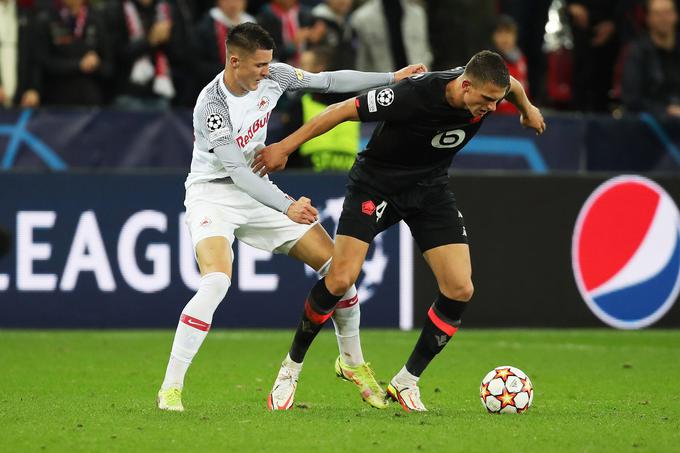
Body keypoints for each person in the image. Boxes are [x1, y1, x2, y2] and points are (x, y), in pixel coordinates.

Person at [254, 50, 546, 412]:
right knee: (340, 278)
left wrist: (526, 109)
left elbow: (512, 85)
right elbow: (339, 111)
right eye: (486, 100)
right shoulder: (415, 93)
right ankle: (290, 369)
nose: (489, 108)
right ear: (465, 84)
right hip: (376, 186)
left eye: (496, 101)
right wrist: (284, 146)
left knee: (460, 288)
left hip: (429, 190)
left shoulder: (489, 89)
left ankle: (407, 381)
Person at [156, 22, 426, 412]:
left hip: (258, 191)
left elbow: (329, 82)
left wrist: (391, 78)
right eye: (260, 65)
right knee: (215, 282)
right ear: (234, 61)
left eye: (269, 63)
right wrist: (287, 206)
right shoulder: (212, 105)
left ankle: (352, 363)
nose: (268, 71)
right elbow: (239, 173)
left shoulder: (275, 76)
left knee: (339, 272)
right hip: (213, 194)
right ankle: (171, 388)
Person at [622, 0, 680, 117]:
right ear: (648, 18)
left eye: (667, 13)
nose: (663, 19)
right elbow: (631, 98)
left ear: (676, 16)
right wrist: (667, 110)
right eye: (657, 14)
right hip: (650, 123)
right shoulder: (637, 52)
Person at [492, 15, 530, 114]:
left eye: (508, 33)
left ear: (515, 36)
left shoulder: (521, 59)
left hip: (517, 114)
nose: (504, 38)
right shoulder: (491, 61)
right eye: (500, 33)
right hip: (496, 116)